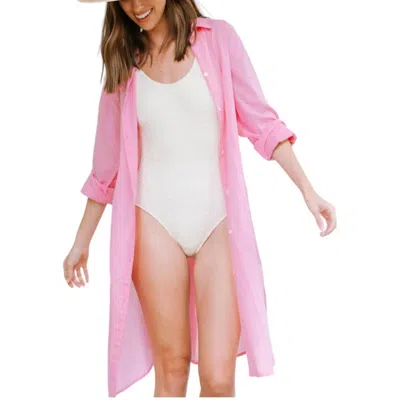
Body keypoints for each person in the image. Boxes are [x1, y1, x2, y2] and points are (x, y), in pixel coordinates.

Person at [63, 0, 337, 397]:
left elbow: (262, 122)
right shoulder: (124, 63)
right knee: (172, 370)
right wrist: (81, 242)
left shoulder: (218, 40)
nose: (137, 6)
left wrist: (308, 191)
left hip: (218, 222)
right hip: (153, 220)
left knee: (219, 379)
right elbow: (106, 167)